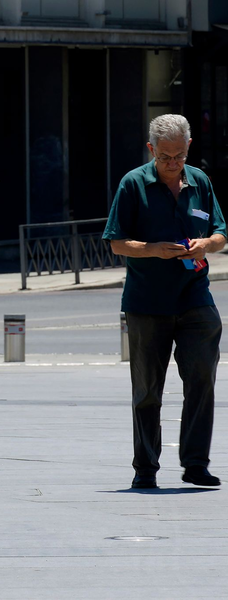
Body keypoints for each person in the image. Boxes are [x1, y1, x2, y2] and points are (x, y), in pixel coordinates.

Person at [104, 114, 226, 490]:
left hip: (194, 295)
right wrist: (153, 249)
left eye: (179, 155)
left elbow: (221, 233)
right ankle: (146, 468)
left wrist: (207, 244)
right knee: (146, 390)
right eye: (165, 157)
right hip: (147, 301)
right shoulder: (133, 184)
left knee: (202, 376)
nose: (173, 164)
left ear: (189, 148)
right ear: (151, 149)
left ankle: (195, 464)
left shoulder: (200, 182)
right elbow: (115, 242)